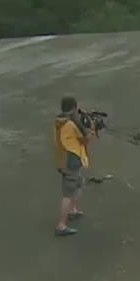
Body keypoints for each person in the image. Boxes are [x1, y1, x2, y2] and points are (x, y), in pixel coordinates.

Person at [52, 95, 96, 236]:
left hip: (62, 159)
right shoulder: (71, 124)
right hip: (71, 160)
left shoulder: (58, 121)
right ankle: (61, 225)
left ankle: (73, 211)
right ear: (75, 108)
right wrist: (92, 130)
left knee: (76, 184)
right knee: (68, 192)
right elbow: (85, 140)